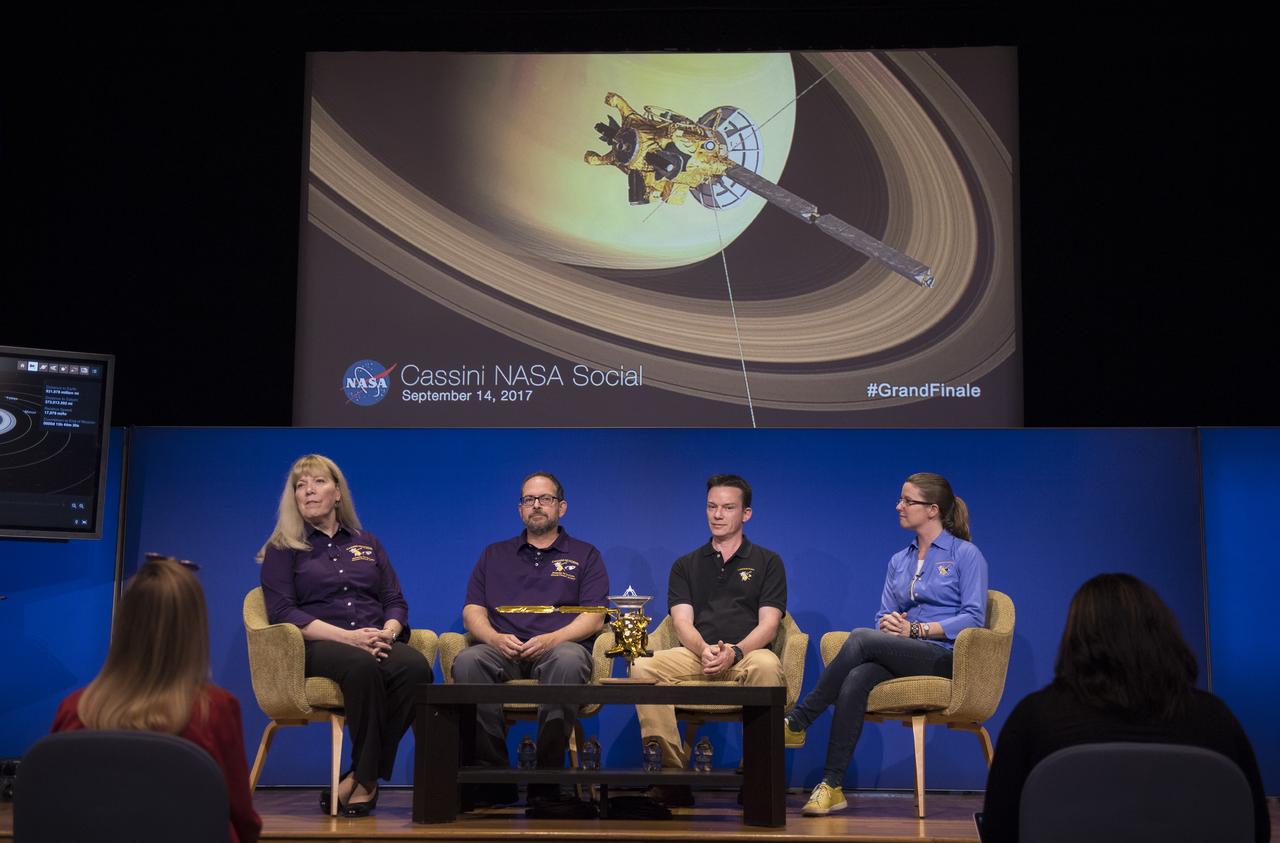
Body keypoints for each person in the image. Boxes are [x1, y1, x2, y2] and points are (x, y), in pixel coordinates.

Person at [981, 573, 1269, 842]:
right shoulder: (1215, 720)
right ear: (1162, 633)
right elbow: (1255, 829)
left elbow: (999, 830)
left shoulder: (1034, 719)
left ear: (1076, 639)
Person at [784, 472, 988, 816]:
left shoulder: (965, 555)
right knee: (857, 677)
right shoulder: (900, 560)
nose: (899, 506)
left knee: (861, 638)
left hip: (946, 657)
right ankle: (832, 785)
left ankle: (800, 721)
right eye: (900, 499)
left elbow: (973, 617)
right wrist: (890, 623)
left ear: (933, 509)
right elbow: (884, 613)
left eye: (908, 501)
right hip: (906, 650)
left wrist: (918, 630)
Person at [258, 453, 432, 817]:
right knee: (360, 666)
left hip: (374, 637)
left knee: (416, 668)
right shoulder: (282, 548)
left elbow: (394, 599)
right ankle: (366, 782)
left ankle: (357, 776)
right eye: (300, 486)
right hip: (319, 644)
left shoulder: (367, 542)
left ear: (337, 492)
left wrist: (388, 632)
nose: (308, 492)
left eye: (317, 482)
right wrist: (349, 638)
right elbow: (283, 612)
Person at [51, 557, 262, 843]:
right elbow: (241, 818)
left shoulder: (74, 709)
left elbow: (56, 809)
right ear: (194, 628)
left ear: (124, 624)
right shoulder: (214, 709)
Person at [632, 473, 788, 807]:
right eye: (712, 506)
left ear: (745, 514)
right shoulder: (685, 565)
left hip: (748, 654)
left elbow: (770, 625)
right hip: (697, 654)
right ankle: (672, 778)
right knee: (643, 668)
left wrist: (734, 651)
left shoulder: (768, 562)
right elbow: (682, 621)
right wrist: (704, 650)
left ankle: (758, 773)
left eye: (728, 507)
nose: (717, 515)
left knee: (769, 666)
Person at [456, 471, 609, 805]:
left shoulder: (586, 555)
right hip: (503, 651)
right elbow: (472, 611)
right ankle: (493, 779)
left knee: (569, 659)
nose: (537, 506)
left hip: (559, 650)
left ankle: (547, 779)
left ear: (562, 507)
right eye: (529, 499)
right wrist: (494, 638)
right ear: (520, 509)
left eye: (546, 499)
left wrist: (553, 639)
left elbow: (595, 616)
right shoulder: (494, 554)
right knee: (468, 661)